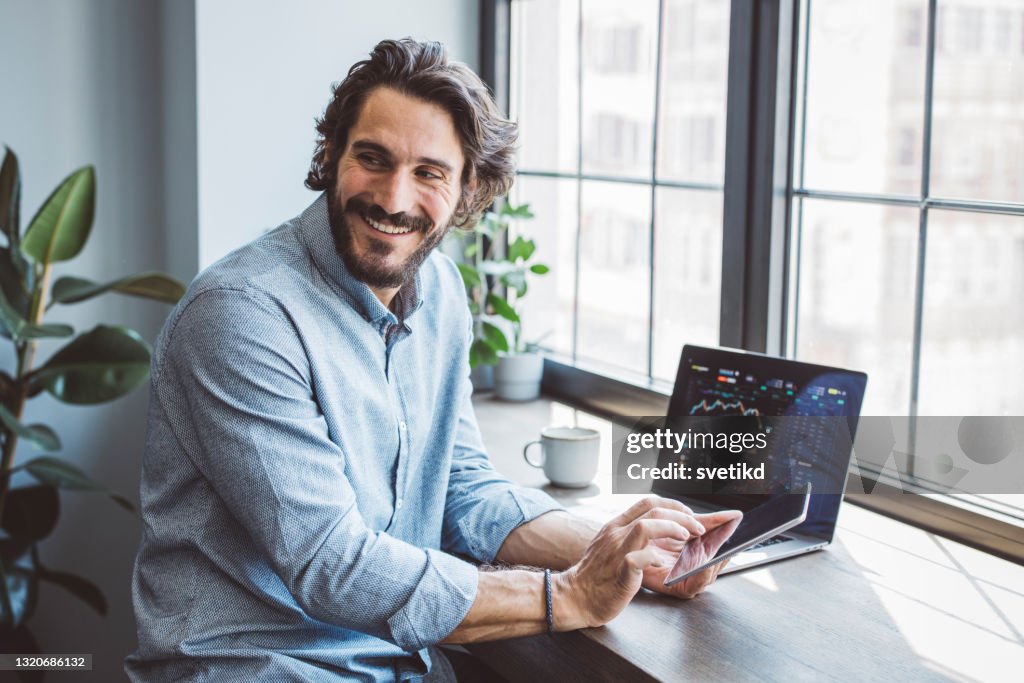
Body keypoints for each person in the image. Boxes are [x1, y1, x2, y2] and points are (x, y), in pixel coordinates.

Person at [125, 38, 740, 682]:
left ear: (468, 186)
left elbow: (460, 490)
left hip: (401, 663)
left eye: (429, 172)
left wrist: (622, 552)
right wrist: (575, 594)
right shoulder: (241, 314)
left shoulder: (442, 293)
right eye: (372, 158)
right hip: (258, 667)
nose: (394, 198)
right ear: (331, 155)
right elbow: (333, 566)